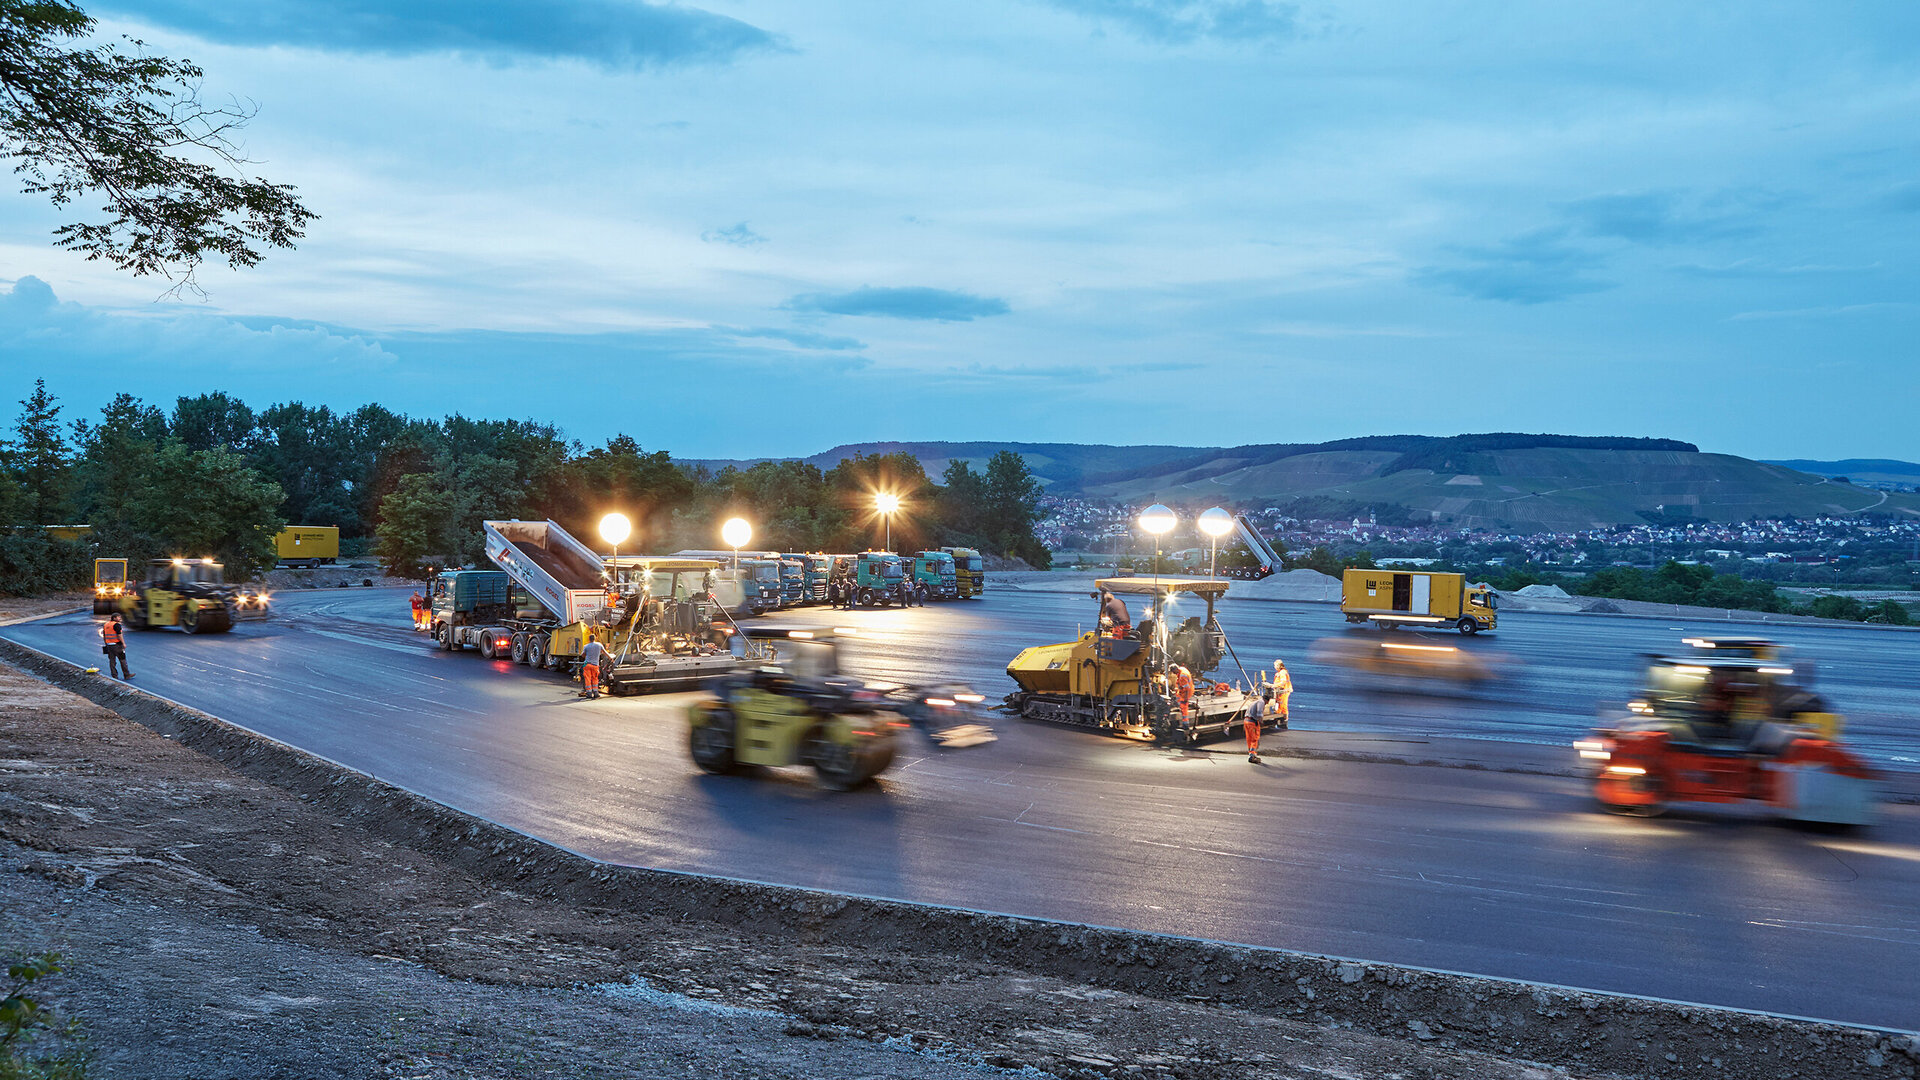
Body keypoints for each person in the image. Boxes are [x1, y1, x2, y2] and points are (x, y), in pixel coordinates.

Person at [100, 613, 132, 679]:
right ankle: (127, 675)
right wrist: (123, 643)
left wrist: (106, 644)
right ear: (114, 618)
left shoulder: (106, 624)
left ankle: (114, 676)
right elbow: (119, 635)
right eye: (118, 617)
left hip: (109, 646)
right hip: (117, 646)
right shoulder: (117, 625)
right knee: (122, 660)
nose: (120, 618)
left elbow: (104, 635)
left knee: (112, 661)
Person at [1266, 659, 1292, 728]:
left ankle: (1283, 720)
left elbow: (1283, 682)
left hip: (1283, 692)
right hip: (1281, 692)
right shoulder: (1281, 672)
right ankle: (1279, 719)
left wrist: (1272, 685)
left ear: (1278, 666)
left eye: (1275, 665)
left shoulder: (1282, 673)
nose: (1274, 667)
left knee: (1283, 706)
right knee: (1280, 706)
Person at [1245, 690, 1268, 763]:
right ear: (1266, 700)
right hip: (1252, 722)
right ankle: (1252, 756)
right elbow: (1259, 713)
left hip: (1246, 721)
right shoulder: (1261, 702)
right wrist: (1261, 722)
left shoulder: (1255, 702)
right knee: (1254, 739)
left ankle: (1252, 753)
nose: (1266, 704)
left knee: (1249, 739)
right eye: (1267, 703)